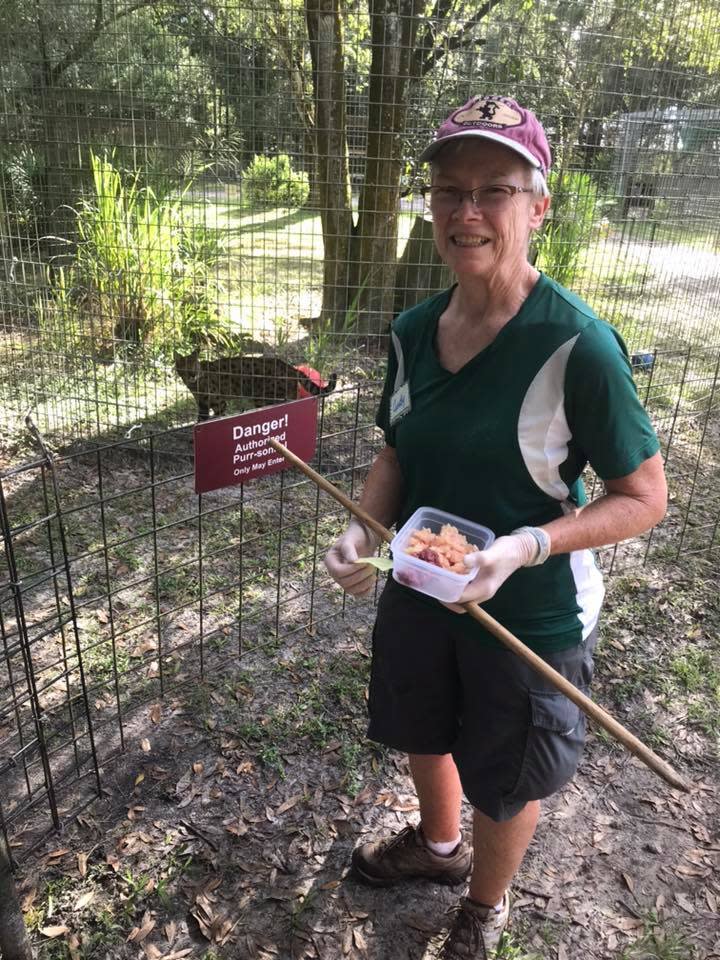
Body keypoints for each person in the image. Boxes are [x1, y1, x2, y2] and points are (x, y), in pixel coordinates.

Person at [325, 94, 667, 958]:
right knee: (422, 724)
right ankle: (440, 853)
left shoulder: (578, 346)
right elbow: (399, 453)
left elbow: (644, 495)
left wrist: (523, 547)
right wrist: (365, 531)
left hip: (529, 609)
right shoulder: (410, 332)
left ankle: (483, 903)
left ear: (538, 205)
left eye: (495, 191)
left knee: (506, 776)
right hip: (422, 579)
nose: (466, 212)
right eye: (448, 190)